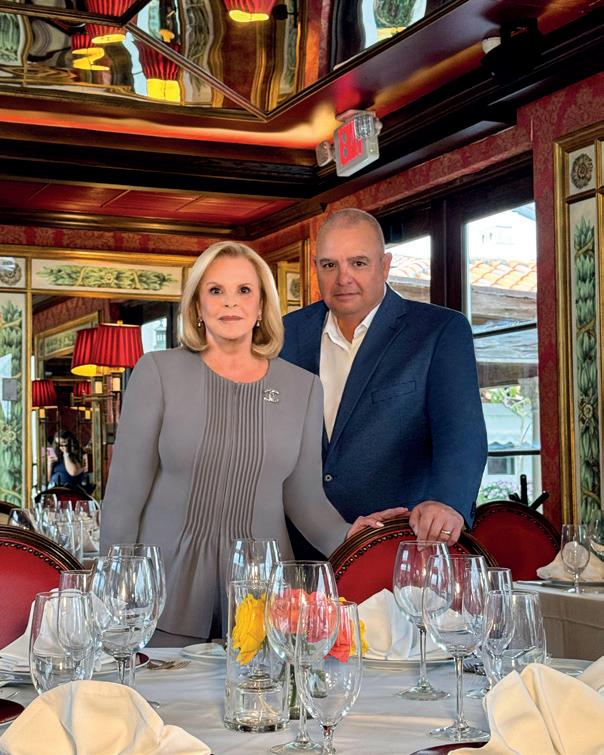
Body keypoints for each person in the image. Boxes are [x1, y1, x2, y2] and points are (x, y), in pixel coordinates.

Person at [100, 241, 406, 646]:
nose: (231, 302)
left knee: (261, 687)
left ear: (262, 306)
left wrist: (350, 534)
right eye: (216, 290)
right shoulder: (157, 372)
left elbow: (304, 500)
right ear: (196, 305)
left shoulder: (303, 387)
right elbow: (123, 498)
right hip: (165, 588)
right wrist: (116, 589)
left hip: (265, 591)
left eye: (244, 290)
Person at [281, 208, 487, 547]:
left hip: (399, 544)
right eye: (330, 265)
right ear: (316, 267)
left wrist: (447, 501)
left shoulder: (438, 331)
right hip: (302, 546)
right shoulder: (286, 334)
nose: (343, 278)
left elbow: (461, 434)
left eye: (358, 263)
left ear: (385, 265)